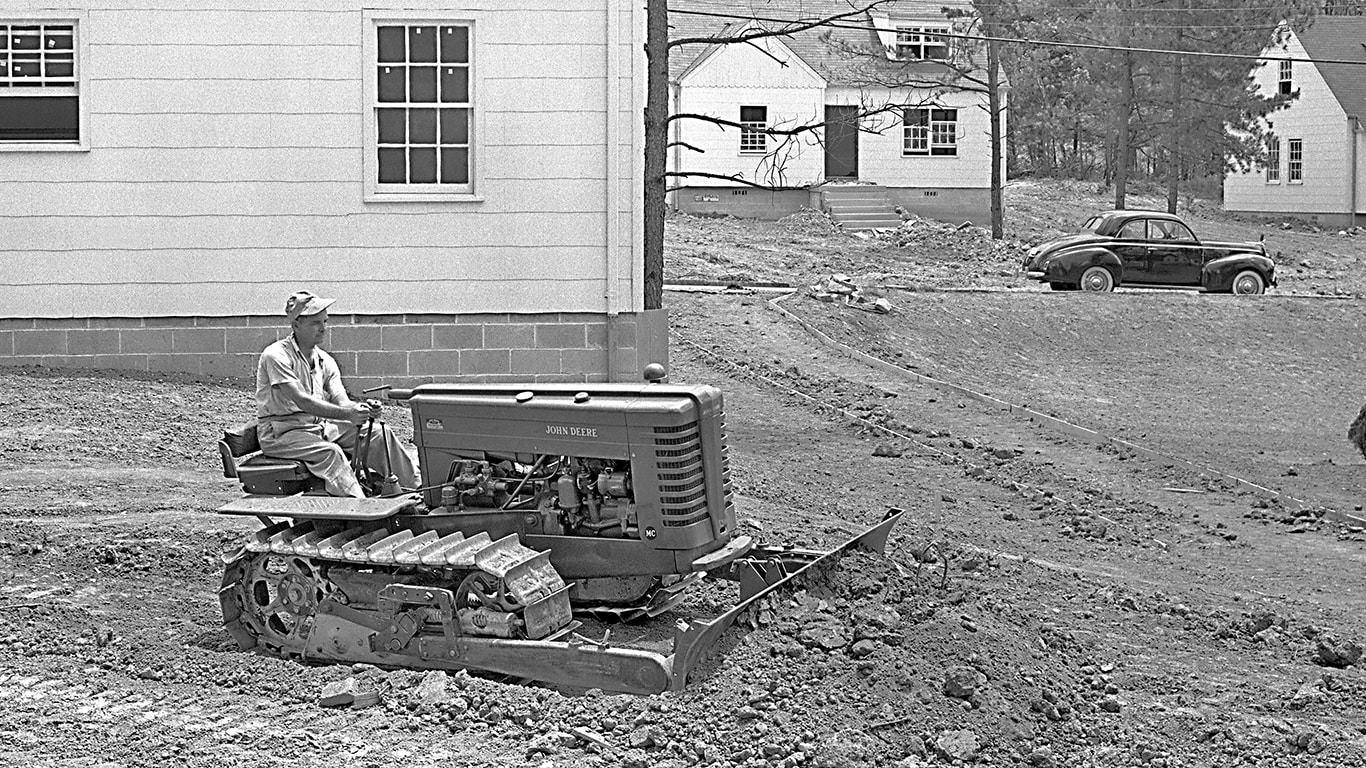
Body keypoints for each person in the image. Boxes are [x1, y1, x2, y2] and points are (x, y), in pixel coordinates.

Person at [255, 290, 419, 498]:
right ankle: (357, 507)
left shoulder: (324, 360)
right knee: (331, 453)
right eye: (316, 323)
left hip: (316, 427)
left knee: (379, 434)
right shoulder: (276, 355)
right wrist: (347, 415)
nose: (323, 328)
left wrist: (363, 409)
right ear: (296, 325)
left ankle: (417, 491)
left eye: (325, 321)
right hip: (282, 432)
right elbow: (303, 401)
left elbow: (342, 401)